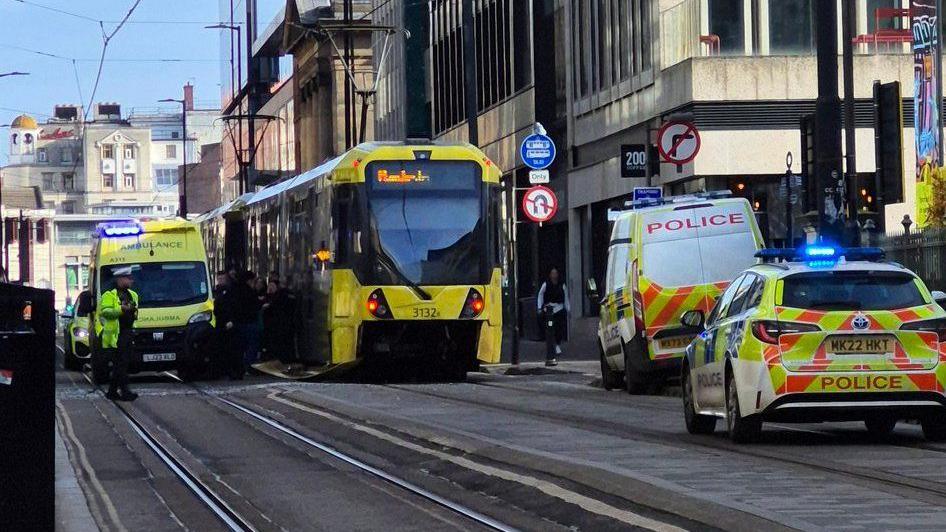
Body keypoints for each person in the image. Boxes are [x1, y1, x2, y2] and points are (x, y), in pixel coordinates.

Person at [99, 267, 139, 401]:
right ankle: (125, 392)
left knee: (121, 364)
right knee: (120, 364)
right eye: (128, 278)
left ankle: (112, 392)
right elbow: (105, 312)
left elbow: (135, 312)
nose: (131, 280)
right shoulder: (109, 295)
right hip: (116, 335)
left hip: (128, 333)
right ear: (120, 279)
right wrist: (121, 309)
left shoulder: (133, 295)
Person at [536, 268, 570, 366]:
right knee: (550, 327)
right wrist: (539, 307)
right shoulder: (546, 284)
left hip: (559, 308)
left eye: (556, 273)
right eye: (552, 273)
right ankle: (551, 346)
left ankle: (557, 344)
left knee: (559, 327)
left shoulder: (562, 285)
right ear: (550, 275)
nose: (554, 275)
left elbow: (565, 296)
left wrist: (568, 308)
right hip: (549, 310)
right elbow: (540, 295)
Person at [212, 271, 241, 379]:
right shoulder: (216, 291)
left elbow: (234, 307)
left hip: (228, 323)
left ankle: (233, 372)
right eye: (219, 279)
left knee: (230, 348)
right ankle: (223, 370)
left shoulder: (230, 291)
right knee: (221, 348)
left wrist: (232, 320)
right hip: (219, 323)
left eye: (222, 278)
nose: (220, 281)